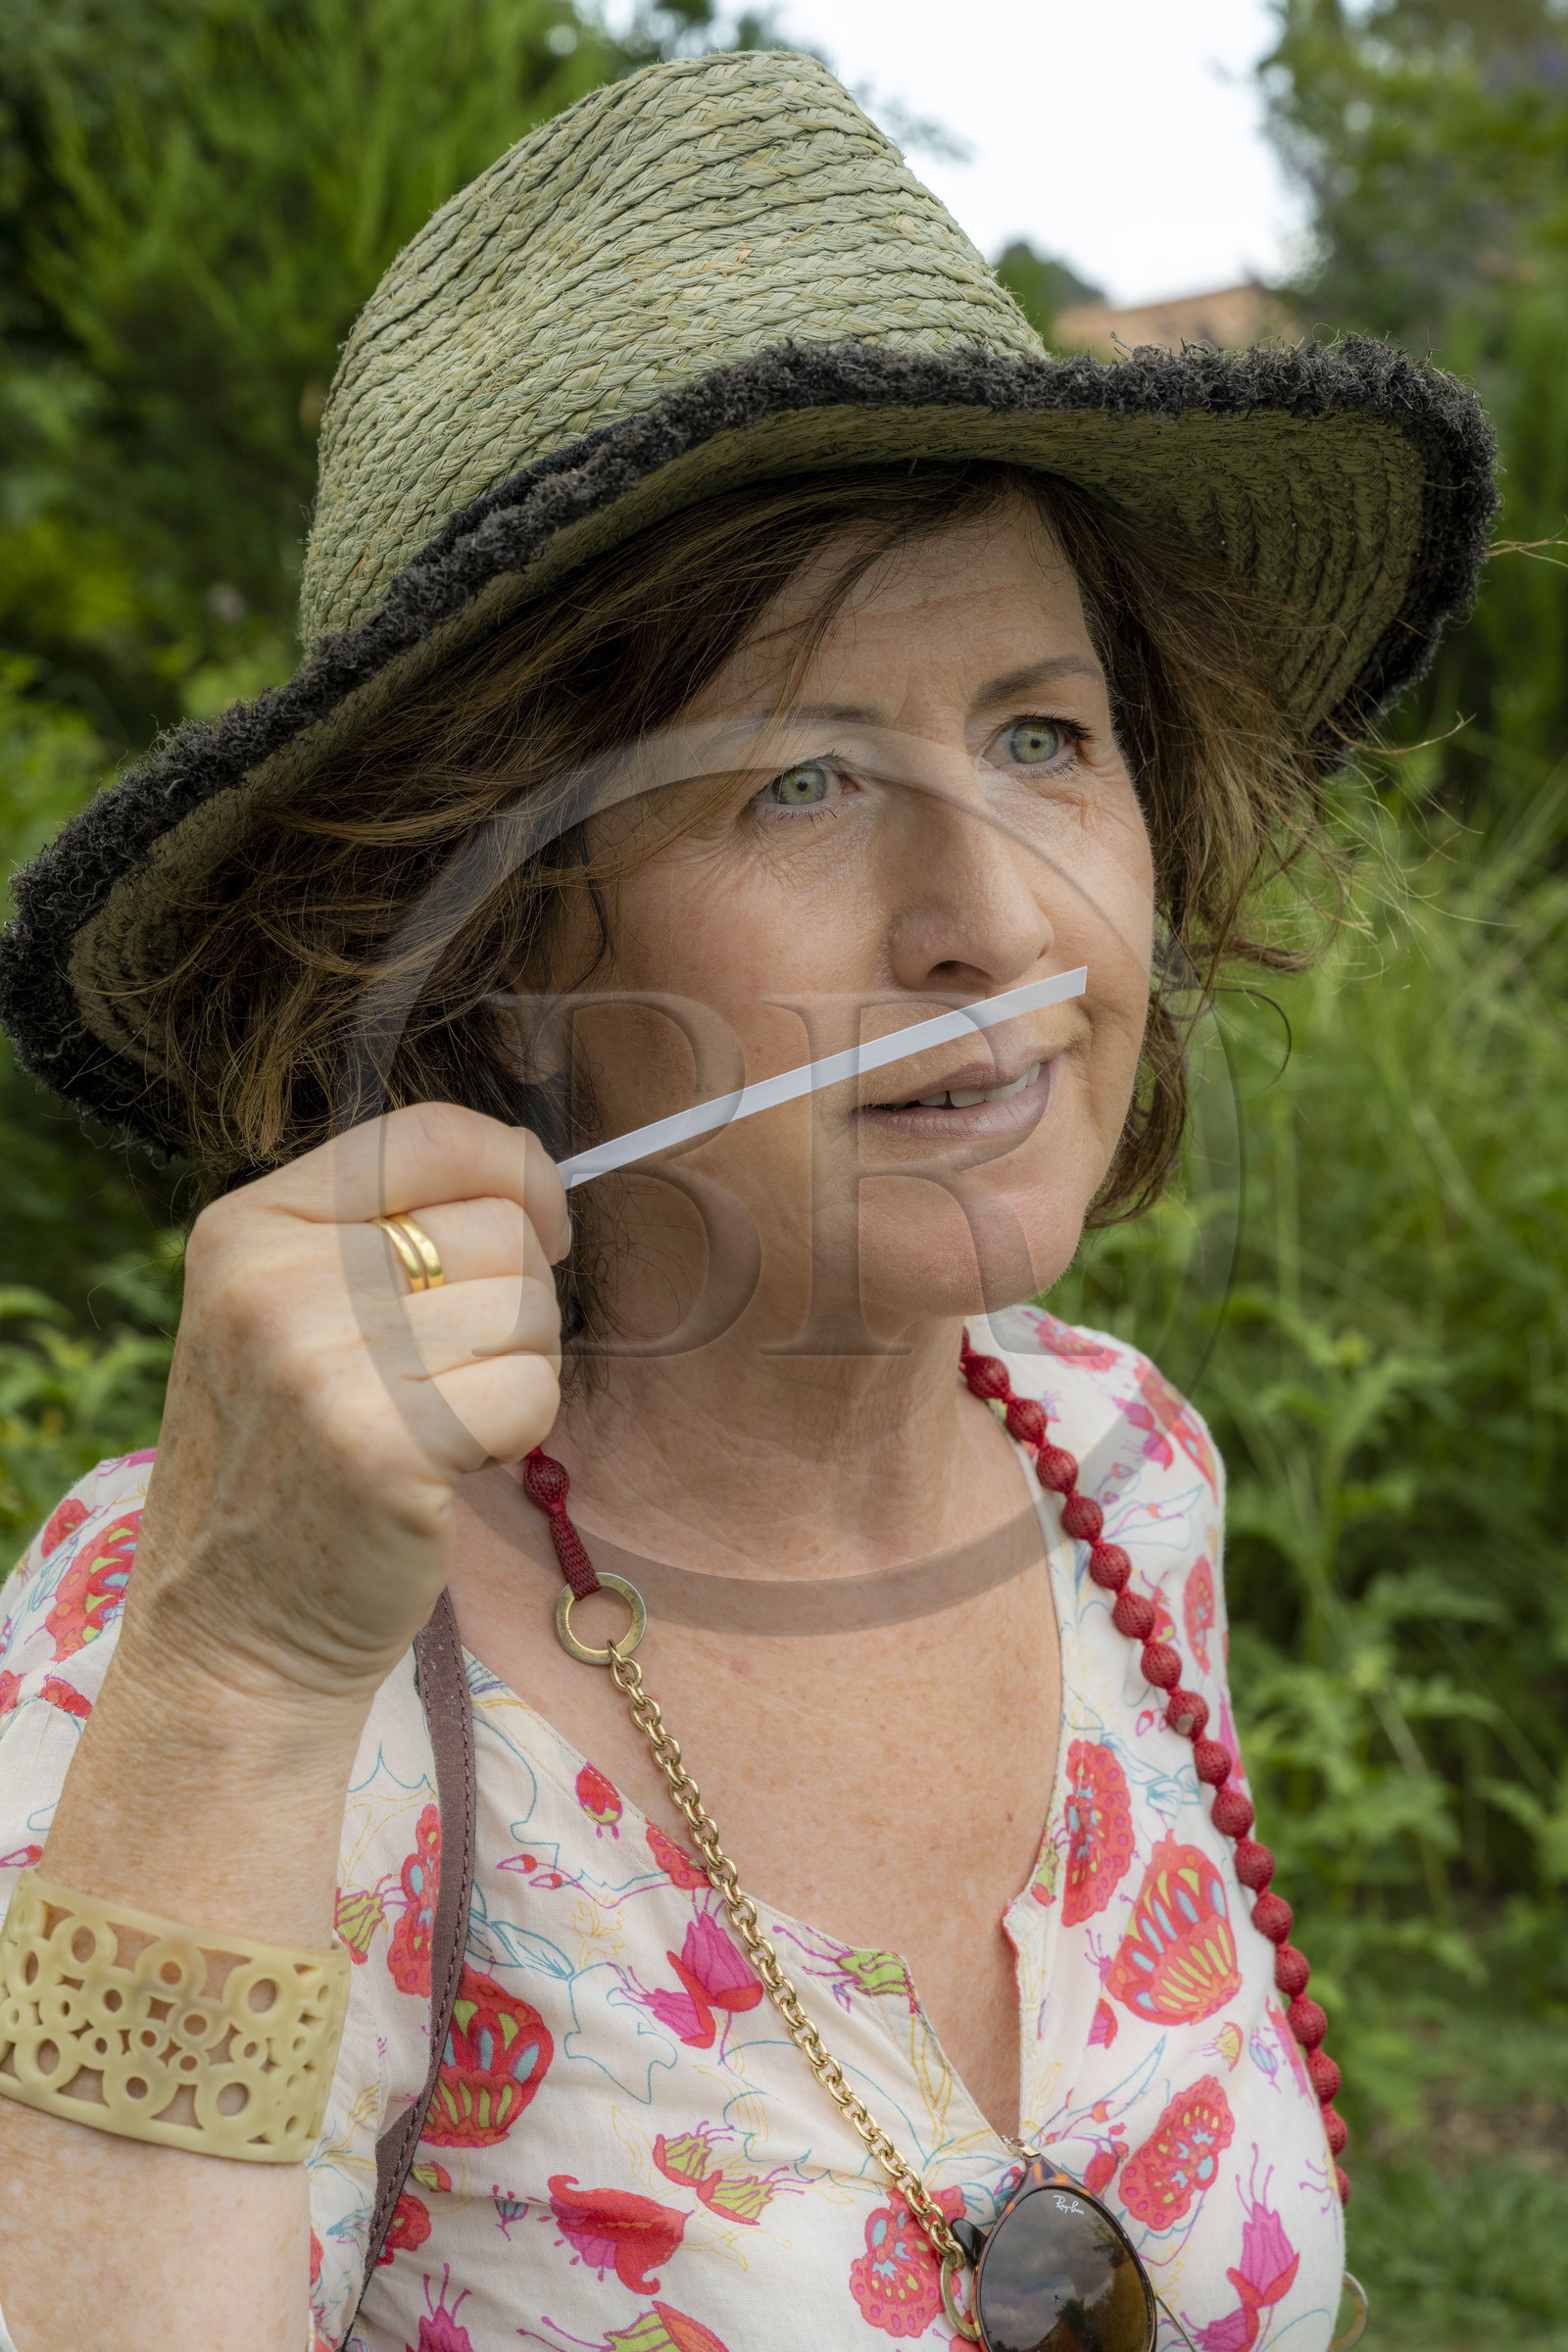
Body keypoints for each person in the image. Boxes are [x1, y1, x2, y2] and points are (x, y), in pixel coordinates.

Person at [0, 48, 1494, 2352]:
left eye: (1035, 736)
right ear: (496, 940)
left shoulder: (1107, 1460)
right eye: (795, 774)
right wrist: (232, 1683)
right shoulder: (216, 1629)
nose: (991, 923)